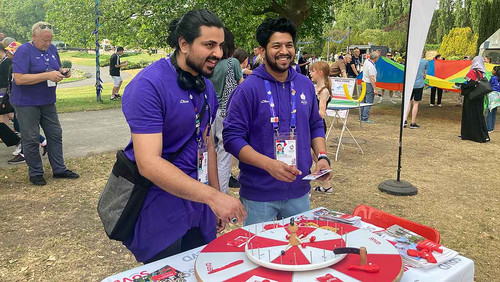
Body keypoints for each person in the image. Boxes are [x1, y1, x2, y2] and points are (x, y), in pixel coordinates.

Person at [120, 9, 246, 263]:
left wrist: (215, 196)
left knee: (203, 270)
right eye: (209, 45)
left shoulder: (205, 85)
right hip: (160, 212)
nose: (218, 54)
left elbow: (207, 143)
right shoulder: (148, 86)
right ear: (184, 44)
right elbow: (148, 163)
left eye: (220, 46)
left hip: (199, 208)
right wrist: (213, 197)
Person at [223, 17, 331, 225]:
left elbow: (315, 125)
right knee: (259, 252)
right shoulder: (247, 89)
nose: (284, 51)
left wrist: (323, 157)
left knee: (298, 251)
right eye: (276, 46)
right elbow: (232, 139)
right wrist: (268, 165)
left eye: (289, 45)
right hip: (259, 194)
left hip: (299, 190)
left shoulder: (305, 85)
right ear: (262, 51)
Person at [11, 22, 79, 186]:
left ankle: (59, 169)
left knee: (55, 133)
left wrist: (63, 72)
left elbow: (56, 67)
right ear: (34, 37)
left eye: (50, 40)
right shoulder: (24, 51)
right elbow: (19, 78)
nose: (47, 44)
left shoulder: (52, 49)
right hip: (26, 102)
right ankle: (35, 172)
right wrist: (47, 75)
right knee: (31, 137)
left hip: (47, 101)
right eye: (44, 40)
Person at [208, 27, 243, 194]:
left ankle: (208, 190)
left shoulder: (208, 64)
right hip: (225, 113)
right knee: (223, 156)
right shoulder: (233, 63)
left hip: (208, 114)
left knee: (209, 154)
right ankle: (221, 193)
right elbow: (242, 87)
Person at [310, 61, 333, 193]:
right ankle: (326, 184)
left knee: (315, 155)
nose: (310, 73)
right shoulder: (314, 88)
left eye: (313, 71)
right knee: (314, 156)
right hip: (311, 124)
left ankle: (326, 183)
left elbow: (321, 113)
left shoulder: (324, 91)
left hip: (317, 126)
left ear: (320, 73)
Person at [459, 56, 490, 142]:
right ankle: (482, 134)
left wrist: (462, 86)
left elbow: (470, 85)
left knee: (470, 116)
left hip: (471, 98)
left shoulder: (472, 72)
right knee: (478, 115)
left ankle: (470, 134)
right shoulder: (482, 72)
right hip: (479, 98)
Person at [404, 52, 428, 129]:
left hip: (410, 84)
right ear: (423, 54)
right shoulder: (425, 62)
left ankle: (405, 120)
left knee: (408, 102)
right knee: (416, 103)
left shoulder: (409, 61)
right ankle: (413, 122)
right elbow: (425, 75)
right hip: (419, 84)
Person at [360, 51, 379, 124]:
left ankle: (361, 116)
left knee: (362, 101)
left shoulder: (366, 61)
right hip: (368, 84)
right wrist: (375, 89)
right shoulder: (371, 67)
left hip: (363, 83)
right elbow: (371, 78)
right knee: (368, 102)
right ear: (376, 58)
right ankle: (365, 118)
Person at [486, 66, 500, 133]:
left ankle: (488, 128)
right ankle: (492, 127)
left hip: (492, 95)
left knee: (489, 111)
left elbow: (489, 85)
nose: (492, 71)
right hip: (498, 96)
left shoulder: (493, 78)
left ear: (495, 71)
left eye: (493, 70)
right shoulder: (498, 78)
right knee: (494, 112)